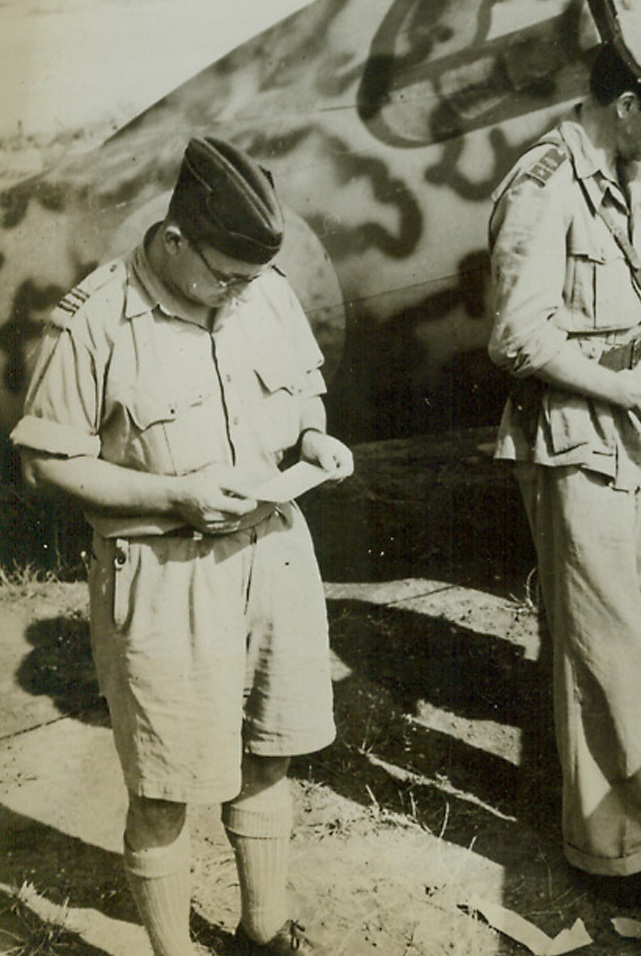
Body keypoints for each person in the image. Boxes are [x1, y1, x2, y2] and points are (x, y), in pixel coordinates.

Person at [13, 136, 354, 955]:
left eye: (248, 279)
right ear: (172, 241)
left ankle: (263, 932)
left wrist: (313, 441)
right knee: (166, 788)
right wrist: (174, 495)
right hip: (164, 573)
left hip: (272, 550)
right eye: (224, 276)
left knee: (272, 751)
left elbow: (305, 388)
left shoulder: (259, 289)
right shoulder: (98, 317)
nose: (238, 294)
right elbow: (44, 461)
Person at [487, 11, 641, 909]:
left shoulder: (608, 172)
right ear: (626, 106)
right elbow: (516, 337)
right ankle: (609, 849)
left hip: (631, 418)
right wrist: (634, 394)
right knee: (604, 645)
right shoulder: (544, 184)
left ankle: (634, 801)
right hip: (580, 432)